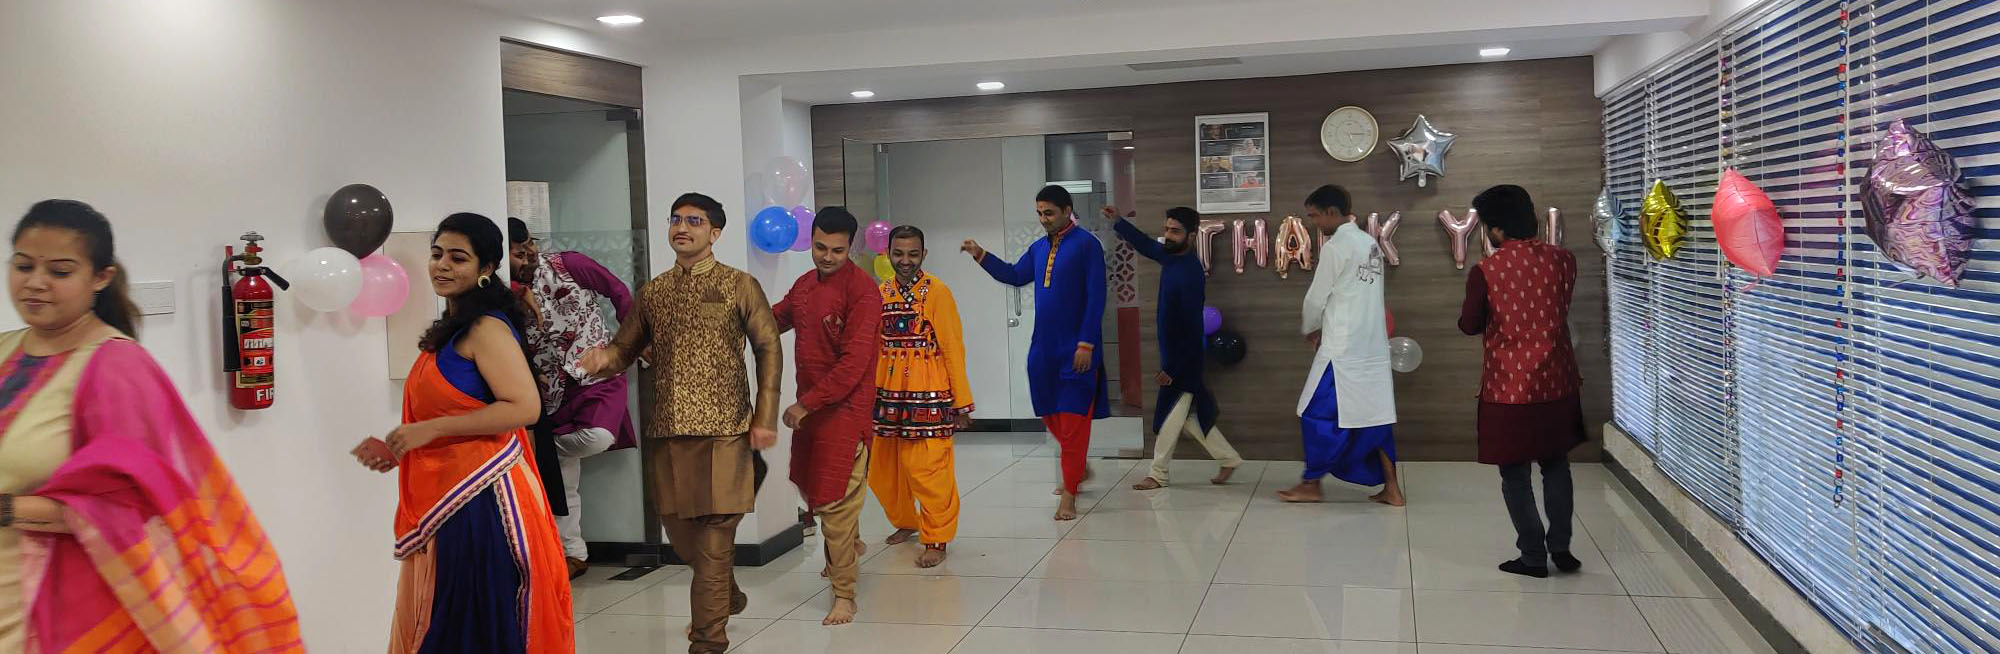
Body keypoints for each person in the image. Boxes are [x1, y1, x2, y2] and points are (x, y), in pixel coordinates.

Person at [1, 200, 303, 653]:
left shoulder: (117, 368)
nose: (36, 283)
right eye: (23, 266)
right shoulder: (6, 348)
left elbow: (130, 508)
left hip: (70, 607)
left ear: (100, 278)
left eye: (60, 272)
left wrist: (7, 509)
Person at [353, 213, 572, 653]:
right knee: (448, 615)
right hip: (454, 496)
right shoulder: (449, 331)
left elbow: (524, 407)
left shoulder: (486, 328)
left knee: (468, 617)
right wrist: (402, 445)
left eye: (458, 257)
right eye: (437, 255)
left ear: (486, 268)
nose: (442, 266)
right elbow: (447, 414)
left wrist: (430, 429)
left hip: (485, 499)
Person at [579, 193, 781, 654]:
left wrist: (764, 416)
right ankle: (725, 593)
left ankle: (708, 640)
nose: (682, 227)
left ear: (715, 233)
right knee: (683, 538)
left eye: (695, 220)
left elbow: (769, 348)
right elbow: (623, 350)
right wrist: (601, 359)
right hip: (668, 432)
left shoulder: (739, 285)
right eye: (676, 219)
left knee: (712, 540)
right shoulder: (654, 292)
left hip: (725, 431)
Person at [1458, 185, 1586, 578]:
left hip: (1508, 387)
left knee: (1514, 474)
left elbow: (1469, 324)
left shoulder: (1486, 271)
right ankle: (1561, 549)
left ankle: (1532, 557)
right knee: (1556, 464)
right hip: (1558, 381)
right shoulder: (1563, 260)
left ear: (1496, 230)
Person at [962, 184, 1108, 521]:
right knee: (1049, 413)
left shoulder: (1087, 246)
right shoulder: (1039, 248)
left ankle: (1069, 493)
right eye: (1040, 213)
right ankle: (1077, 464)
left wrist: (1086, 343)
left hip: (1077, 350)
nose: (1044, 219)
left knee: (1073, 422)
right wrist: (980, 254)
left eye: (1050, 213)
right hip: (1043, 349)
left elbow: (1096, 297)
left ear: (1067, 210)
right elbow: (1014, 275)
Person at [507, 217, 637, 579]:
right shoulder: (506, 293)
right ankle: (573, 553)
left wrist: (630, 344)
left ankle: (542, 449)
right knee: (564, 480)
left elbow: (618, 290)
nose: (529, 254)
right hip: (550, 389)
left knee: (597, 437)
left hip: (596, 372)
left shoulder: (570, 264)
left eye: (530, 245)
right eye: (519, 253)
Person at [772, 207, 882, 625]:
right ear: (811, 239)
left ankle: (844, 594)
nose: (827, 256)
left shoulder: (863, 292)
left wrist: (805, 404)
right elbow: (775, 318)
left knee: (835, 501)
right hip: (813, 410)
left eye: (837, 250)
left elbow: (854, 366)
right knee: (811, 487)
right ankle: (849, 546)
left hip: (845, 411)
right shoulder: (804, 285)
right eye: (820, 247)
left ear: (850, 246)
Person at [1279, 185, 1405, 506]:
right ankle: (1392, 489)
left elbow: (1316, 297)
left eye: (1315, 216)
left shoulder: (1337, 246)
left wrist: (1311, 328)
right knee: (1373, 416)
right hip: (1372, 348)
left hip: (1343, 349)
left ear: (1332, 212)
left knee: (1315, 414)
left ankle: (1311, 483)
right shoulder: (1369, 244)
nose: (1313, 223)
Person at [1102, 206, 1243, 490]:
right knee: (1189, 417)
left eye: (1175, 231)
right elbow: (1143, 244)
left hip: (1184, 359)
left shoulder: (1190, 274)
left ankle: (1158, 473)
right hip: (1176, 357)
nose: (1167, 235)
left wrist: (1172, 368)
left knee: (1168, 415)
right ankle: (1229, 458)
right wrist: (1119, 221)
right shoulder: (1169, 257)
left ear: (1191, 236)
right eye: (1166, 229)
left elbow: (1192, 328)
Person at [870, 225, 973, 568]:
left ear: (923, 255)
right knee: (884, 471)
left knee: (929, 469)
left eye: (913, 254)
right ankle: (907, 521)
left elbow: (953, 347)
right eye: (898, 253)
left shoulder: (937, 292)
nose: (905, 261)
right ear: (887, 254)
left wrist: (961, 403)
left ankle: (937, 536)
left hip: (929, 393)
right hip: (888, 395)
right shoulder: (881, 292)